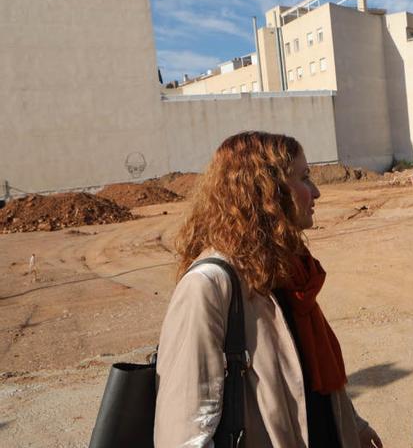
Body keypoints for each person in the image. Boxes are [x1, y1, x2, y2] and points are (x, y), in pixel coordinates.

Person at [154, 131, 382, 447]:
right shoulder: (209, 285)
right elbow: (184, 430)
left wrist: (353, 425)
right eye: (304, 178)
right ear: (267, 191)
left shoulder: (289, 271)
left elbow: (314, 374)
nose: (316, 192)